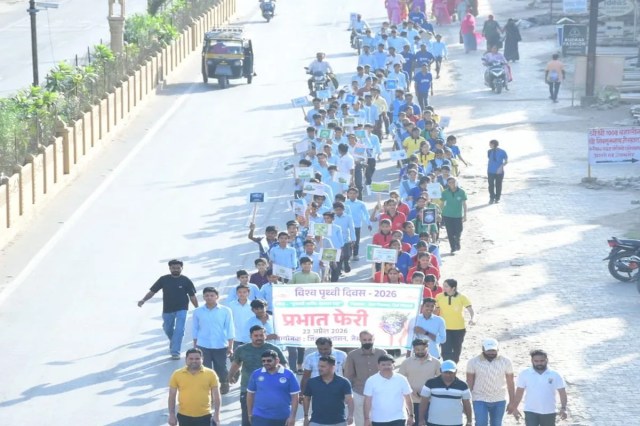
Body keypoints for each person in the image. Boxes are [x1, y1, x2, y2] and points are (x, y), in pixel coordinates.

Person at [138, 259, 198, 360]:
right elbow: (152, 291)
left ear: (182, 268)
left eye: (178, 268)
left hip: (182, 309)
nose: (176, 270)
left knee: (179, 330)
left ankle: (175, 352)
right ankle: (174, 341)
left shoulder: (186, 280)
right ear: (169, 268)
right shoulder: (163, 279)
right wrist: (143, 300)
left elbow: (192, 296)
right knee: (167, 328)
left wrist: (198, 309)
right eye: (173, 268)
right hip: (167, 309)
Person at [229, 326, 288, 426]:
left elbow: (284, 367)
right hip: (247, 389)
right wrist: (230, 375)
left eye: (261, 335)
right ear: (250, 336)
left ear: (265, 336)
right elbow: (236, 364)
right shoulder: (242, 349)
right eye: (256, 336)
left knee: (268, 420)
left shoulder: (274, 349)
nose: (259, 338)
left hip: (270, 390)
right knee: (248, 420)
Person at [192, 287, 234, 395]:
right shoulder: (198, 311)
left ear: (217, 296)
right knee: (205, 368)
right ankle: (207, 388)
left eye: (212, 295)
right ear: (203, 297)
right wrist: (195, 346)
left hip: (220, 344)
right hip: (203, 345)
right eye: (207, 295)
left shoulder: (225, 311)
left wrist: (230, 346)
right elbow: (195, 329)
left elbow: (230, 329)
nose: (209, 297)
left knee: (221, 367)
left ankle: (224, 383)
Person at [508, 349, 568, 426]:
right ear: (532, 361)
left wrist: (563, 408)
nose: (539, 363)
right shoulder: (525, 373)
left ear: (547, 360)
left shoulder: (555, 374)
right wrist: (515, 407)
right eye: (536, 361)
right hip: (530, 411)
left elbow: (562, 392)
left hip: (549, 411)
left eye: (542, 361)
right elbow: (519, 392)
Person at [466, 338, 515, 426]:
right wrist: (466, 400)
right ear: (483, 349)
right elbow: (469, 382)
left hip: (499, 398)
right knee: (481, 423)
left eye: (493, 350)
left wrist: (512, 402)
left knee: (497, 424)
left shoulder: (506, 361)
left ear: (498, 349)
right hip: (479, 398)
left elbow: (510, 382)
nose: (491, 353)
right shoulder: (473, 362)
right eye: (488, 350)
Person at [344, 330, 388, 426]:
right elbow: (348, 375)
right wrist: (347, 393)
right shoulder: (352, 355)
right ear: (360, 340)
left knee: (379, 418)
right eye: (364, 340)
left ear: (373, 339)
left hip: (379, 392)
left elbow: (387, 372)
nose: (367, 342)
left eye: (369, 339)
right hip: (359, 392)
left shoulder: (382, 353)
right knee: (360, 420)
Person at [168, 348, 221, 426]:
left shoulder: (211, 374)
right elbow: (172, 396)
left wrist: (217, 415)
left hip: (205, 416)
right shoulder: (177, 374)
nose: (194, 361)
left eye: (197, 358)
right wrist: (172, 415)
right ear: (186, 359)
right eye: (191, 359)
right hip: (184, 416)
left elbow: (217, 396)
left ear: (202, 359)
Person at [247, 350, 300, 426]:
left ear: (277, 360)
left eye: (269, 360)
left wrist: (292, 417)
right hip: (260, 416)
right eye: (263, 361)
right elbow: (250, 394)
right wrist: (250, 413)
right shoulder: (256, 374)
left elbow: (295, 396)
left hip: (282, 417)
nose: (266, 363)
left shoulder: (289, 374)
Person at [303, 355, 355, 426]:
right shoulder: (312, 382)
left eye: (323, 366)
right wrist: (306, 417)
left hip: (339, 422)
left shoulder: (344, 382)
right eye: (319, 366)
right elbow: (306, 399)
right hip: (316, 422)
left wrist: (351, 415)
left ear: (333, 367)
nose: (319, 368)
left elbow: (350, 400)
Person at [363, 354, 414, 426]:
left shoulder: (402, 379)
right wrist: (367, 419)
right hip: (378, 419)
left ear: (393, 365)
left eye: (389, 364)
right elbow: (367, 401)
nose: (386, 367)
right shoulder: (371, 380)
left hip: (399, 418)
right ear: (378, 366)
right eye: (383, 365)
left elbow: (408, 399)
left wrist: (411, 415)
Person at [418, 360, 473, 426]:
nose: (448, 375)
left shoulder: (463, 385)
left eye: (451, 372)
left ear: (456, 371)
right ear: (440, 371)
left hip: (456, 423)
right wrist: (421, 420)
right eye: (446, 372)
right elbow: (423, 402)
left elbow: (467, 404)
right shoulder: (430, 383)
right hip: (433, 422)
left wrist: (469, 421)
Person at [399, 339, 441, 422]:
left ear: (427, 348)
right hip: (411, 401)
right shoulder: (406, 362)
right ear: (413, 349)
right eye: (417, 349)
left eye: (423, 349)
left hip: (430, 401)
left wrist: (430, 392)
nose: (420, 352)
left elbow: (441, 380)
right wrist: (411, 391)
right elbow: (400, 380)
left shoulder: (436, 362)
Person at [435, 279, 474, 363]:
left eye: (446, 286)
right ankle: (447, 366)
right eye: (443, 285)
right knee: (445, 349)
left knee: (456, 349)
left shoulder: (462, 297)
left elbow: (470, 309)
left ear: (453, 288)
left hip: (459, 328)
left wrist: (472, 318)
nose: (443, 288)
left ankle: (454, 365)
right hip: (444, 328)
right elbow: (436, 310)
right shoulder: (438, 296)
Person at [440, 177, 467, 254]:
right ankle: (453, 248)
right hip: (447, 214)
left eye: (453, 182)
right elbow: (442, 203)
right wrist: (440, 213)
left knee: (459, 230)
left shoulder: (461, 192)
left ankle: (457, 241)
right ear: (447, 184)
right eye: (450, 182)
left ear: (456, 182)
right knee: (450, 232)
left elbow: (464, 204)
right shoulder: (445, 192)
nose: (452, 184)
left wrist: (465, 215)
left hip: (458, 215)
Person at [229, 285, 255, 349]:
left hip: (250, 337)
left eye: (244, 292)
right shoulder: (231, 305)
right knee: (236, 355)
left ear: (248, 293)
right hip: (235, 337)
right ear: (236, 293)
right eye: (239, 292)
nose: (242, 294)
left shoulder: (253, 305)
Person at [487, 139, 508, 204]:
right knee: (491, 185)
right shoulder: (489, 151)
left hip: (499, 171)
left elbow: (506, 161)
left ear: (493, 144)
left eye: (490, 144)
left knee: (498, 185)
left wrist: (501, 167)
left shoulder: (502, 151)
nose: (489, 145)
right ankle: (491, 198)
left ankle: (497, 198)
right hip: (490, 171)